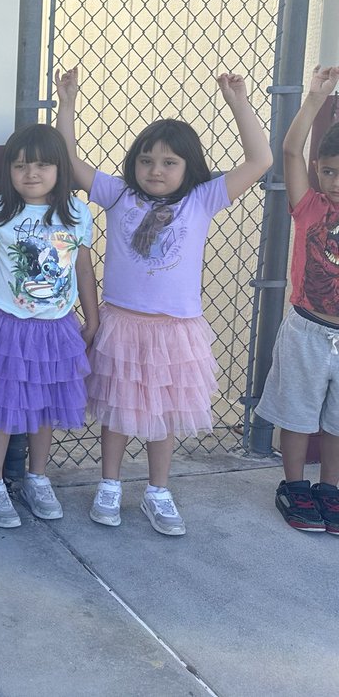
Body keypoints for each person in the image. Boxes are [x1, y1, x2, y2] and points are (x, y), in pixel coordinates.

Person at [56, 67, 272, 535]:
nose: (156, 170)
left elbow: (259, 161)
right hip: (121, 324)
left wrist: (239, 102)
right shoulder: (118, 195)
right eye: (147, 160)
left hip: (175, 329)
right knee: (116, 410)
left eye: (169, 162)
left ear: (188, 167)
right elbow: (69, 160)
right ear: (134, 163)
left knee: (163, 414)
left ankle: (158, 490)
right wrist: (67, 103)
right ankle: (109, 485)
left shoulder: (202, 198)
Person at [0, 124, 97, 528]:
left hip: (56, 329)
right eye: (20, 165)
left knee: (45, 408)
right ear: (9, 171)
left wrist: (93, 317)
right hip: (7, 328)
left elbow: (82, 269)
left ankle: (37, 477)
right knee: (3, 407)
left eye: (41, 164)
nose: (30, 173)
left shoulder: (75, 213)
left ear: (60, 168)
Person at [254, 65, 339, 532]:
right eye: (327, 171)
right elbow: (289, 149)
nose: (334, 181)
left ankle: (330, 488)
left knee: (336, 422)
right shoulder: (310, 207)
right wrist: (314, 100)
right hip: (308, 328)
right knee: (299, 412)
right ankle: (294, 487)